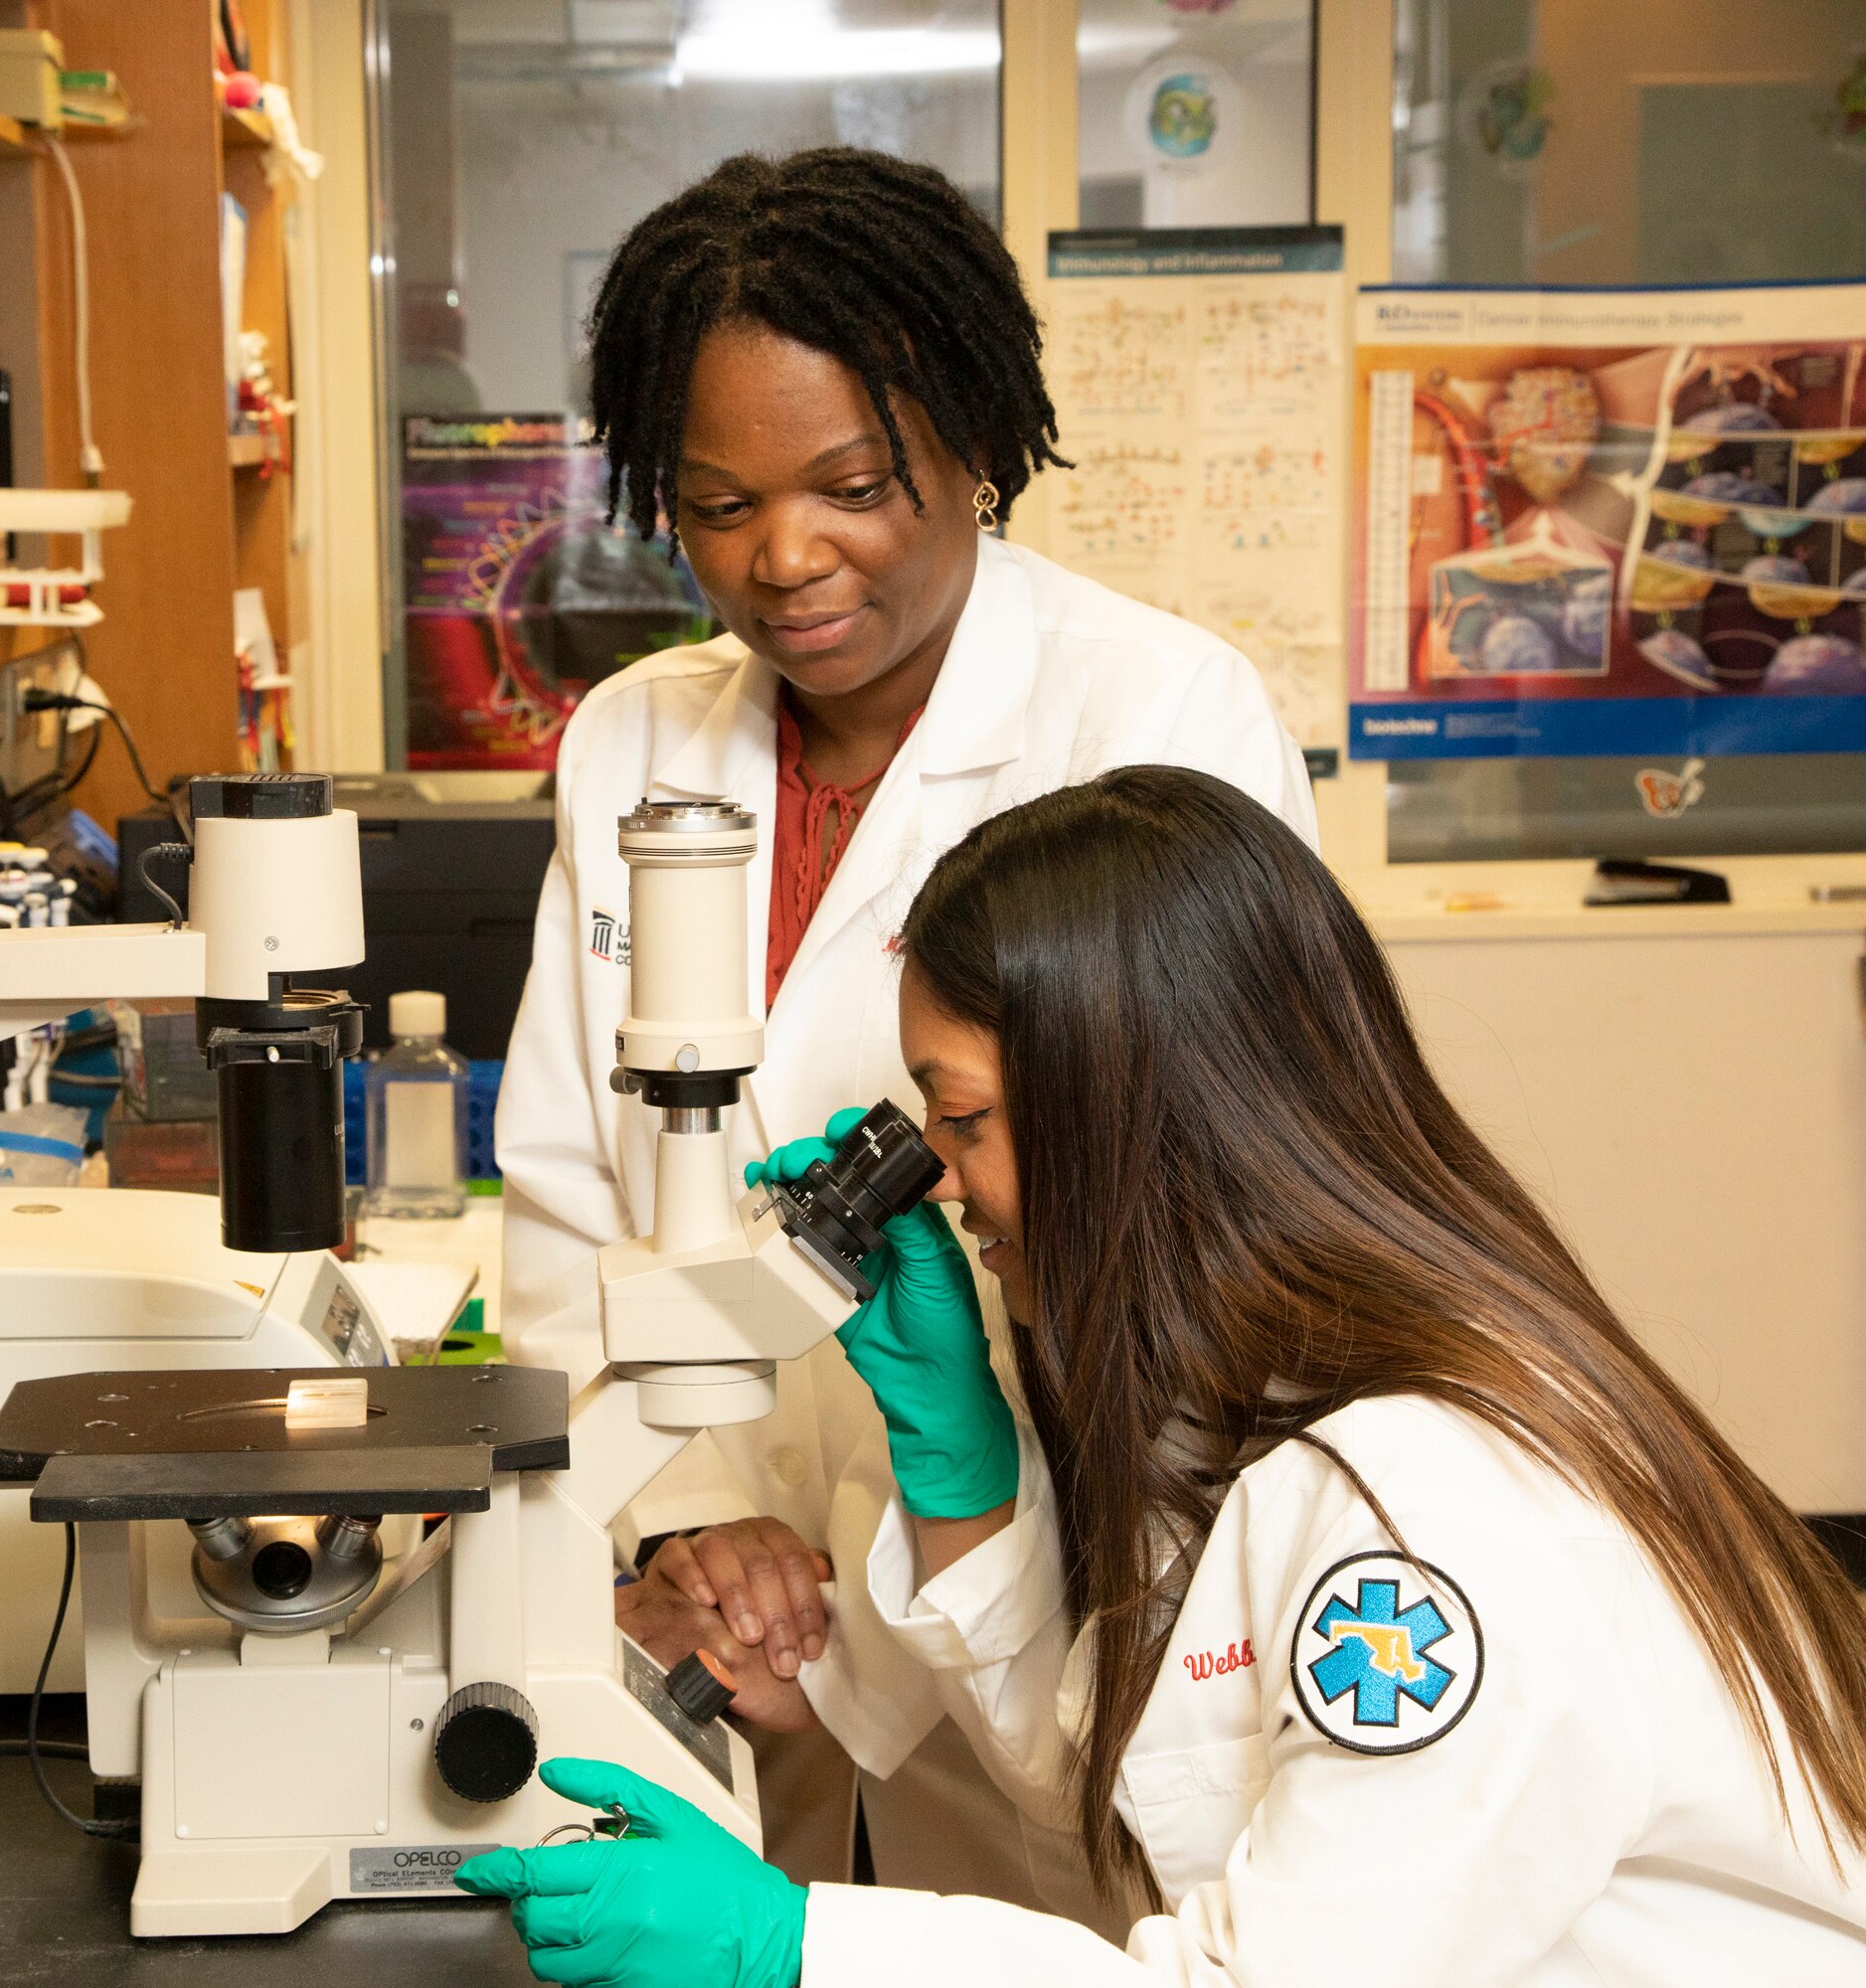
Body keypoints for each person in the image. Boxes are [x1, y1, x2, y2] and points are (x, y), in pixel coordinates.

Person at [463, 766, 1866, 1988]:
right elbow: (1128, 1779)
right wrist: (960, 1454)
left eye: (963, 1123)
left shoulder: (1428, 1511)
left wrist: (799, 1949)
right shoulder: (1279, 1395)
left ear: (1136, 1117)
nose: (952, 1191)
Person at [497, 148, 1317, 1918]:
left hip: (1069, 1583)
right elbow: (569, 1189)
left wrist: (949, 1534)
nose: (787, 558)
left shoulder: (1154, 711)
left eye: (854, 484)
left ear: (972, 438)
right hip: (729, 1615)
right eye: (717, 505)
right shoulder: (635, 740)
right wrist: (687, 1520)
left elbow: (1223, 1224)